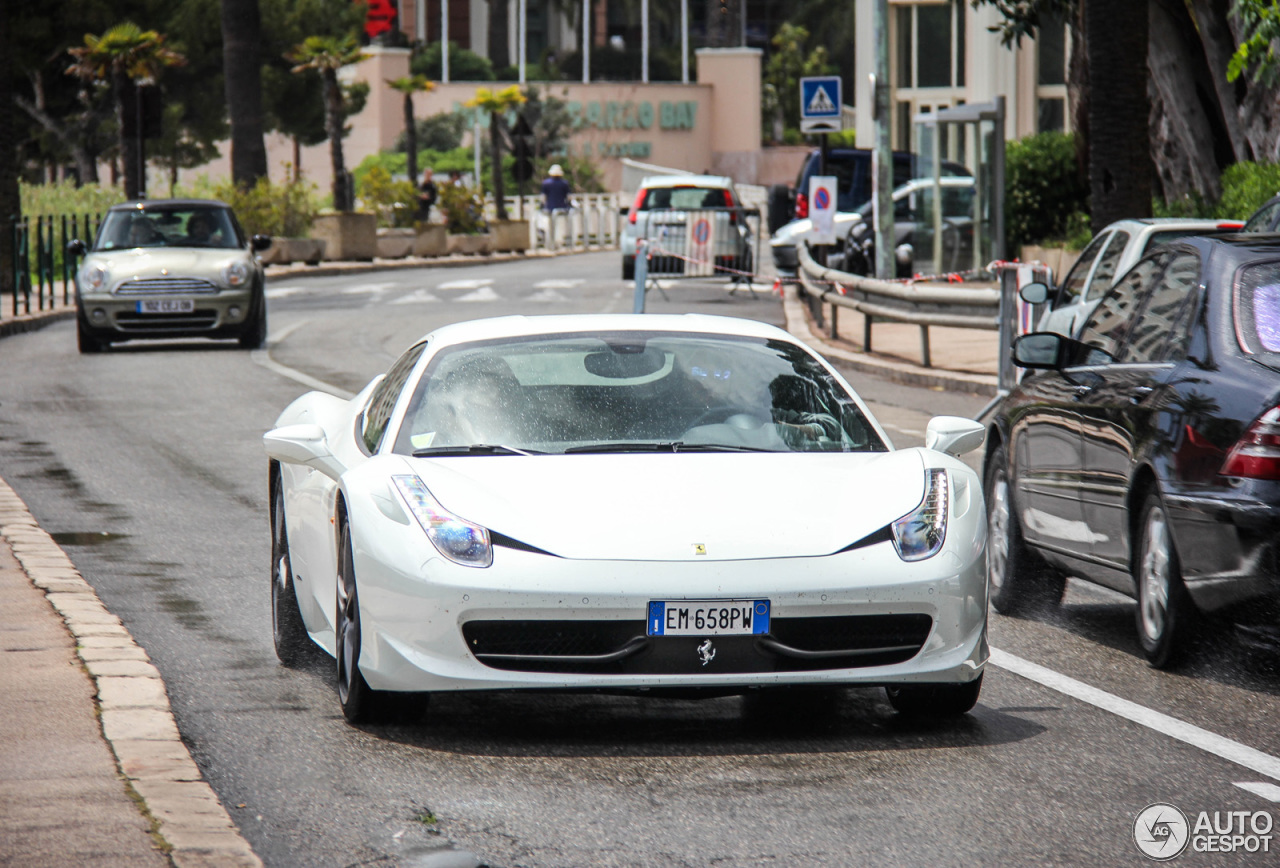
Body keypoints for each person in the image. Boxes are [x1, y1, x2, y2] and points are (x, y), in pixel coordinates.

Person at [541, 164, 573, 248]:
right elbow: (569, 197)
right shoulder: (564, 183)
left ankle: (549, 243)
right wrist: (569, 205)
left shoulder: (546, 183)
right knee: (560, 227)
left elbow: (543, 197)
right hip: (562, 208)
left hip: (549, 208)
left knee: (549, 227)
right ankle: (558, 243)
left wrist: (542, 205)